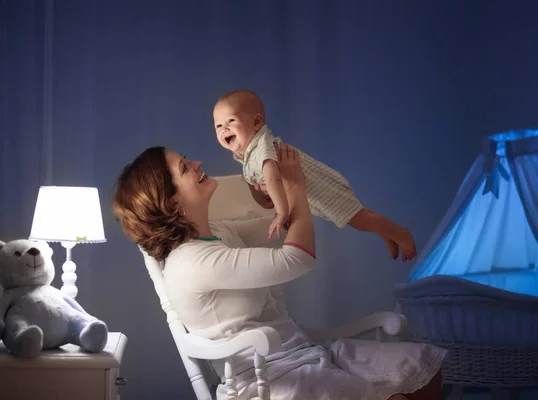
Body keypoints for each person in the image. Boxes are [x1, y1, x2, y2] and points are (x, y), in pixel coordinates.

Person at [113, 142, 446, 400]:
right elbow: (298, 257)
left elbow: (286, 226)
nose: (197, 163)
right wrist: (296, 188)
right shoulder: (191, 262)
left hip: (303, 352)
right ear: (172, 204)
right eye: (185, 168)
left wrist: (278, 194)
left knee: (425, 368)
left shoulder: (218, 231)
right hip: (268, 379)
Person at [213, 89, 417, 262]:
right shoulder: (247, 155)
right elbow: (263, 188)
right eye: (219, 125)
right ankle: (386, 232)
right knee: (357, 214)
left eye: (231, 120)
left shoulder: (261, 146)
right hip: (312, 194)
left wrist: (281, 213)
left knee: (358, 219)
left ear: (257, 122)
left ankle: (399, 233)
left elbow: (272, 176)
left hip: (321, 189)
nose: (224, 129)